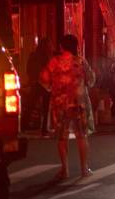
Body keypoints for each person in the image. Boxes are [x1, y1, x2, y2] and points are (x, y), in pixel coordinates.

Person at [40, 34, 95, 181]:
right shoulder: (80, 62)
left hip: (60, 104)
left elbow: (43, 78)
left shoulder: (54, 62)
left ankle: (65, 170)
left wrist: (53, 88)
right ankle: (84, 168)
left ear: (61, 46)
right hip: (78, 103)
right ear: (76, 46)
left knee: (62, 137)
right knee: (81, 135)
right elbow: (91, 80)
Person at [25, 38, 54, 136]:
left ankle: (24, 125)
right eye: (50, 44)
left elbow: (29, 69)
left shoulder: (34, 55)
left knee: (31, 104)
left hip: (38, 83)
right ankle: (44, 127)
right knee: (45, 107)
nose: (51, 46)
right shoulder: (48, 57)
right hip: (44, 84)